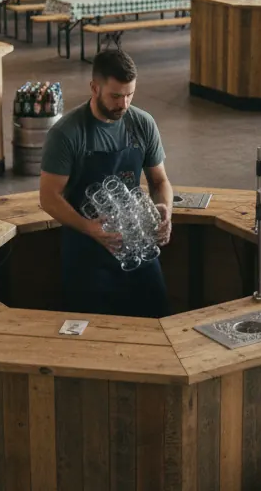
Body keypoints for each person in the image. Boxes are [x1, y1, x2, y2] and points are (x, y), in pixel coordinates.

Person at [38, 49, 174, 318]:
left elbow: (159, 180)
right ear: (94, 87)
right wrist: (91, 228)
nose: (124, 104)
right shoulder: (67, 134)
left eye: (129, 94)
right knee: (92, 335)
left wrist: (165, 208)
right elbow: (49, 197)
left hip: (138, 245)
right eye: (115, 96)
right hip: (86, 252)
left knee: (158, 322)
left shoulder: (142, 123)